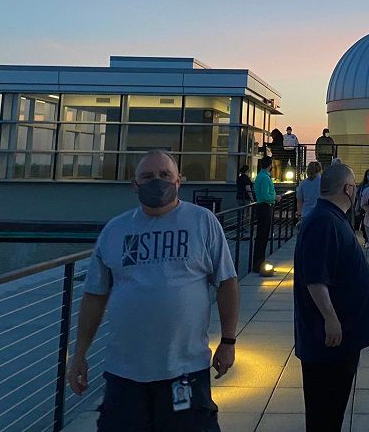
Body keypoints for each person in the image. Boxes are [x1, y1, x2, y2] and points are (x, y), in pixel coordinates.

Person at [67, 150, 239, 431]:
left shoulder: (203, 222)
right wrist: (79, 354)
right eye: (147, 176)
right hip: (125, 372)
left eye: (164, 175)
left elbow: (227, 282)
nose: (156, 181)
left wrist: (228, 341)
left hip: (185, 369)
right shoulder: (115, 230)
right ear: (134, 184)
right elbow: (95, 295)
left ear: (178, 181)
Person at [293, 164, 369, 432]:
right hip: (328, 343)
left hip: (341, 339)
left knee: (333, 411)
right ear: (349, 189)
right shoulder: (323, 222)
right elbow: (315, 278)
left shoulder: (331, 217)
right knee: (325, 413)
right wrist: (331, 319)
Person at [253, 157, 279, 273]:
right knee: (262, 237)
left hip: (263, 207)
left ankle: (259, 263)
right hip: (265, 207)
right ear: (270, 165)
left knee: (262, 237)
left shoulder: (261, 176)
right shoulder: (264, 177)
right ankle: (259, 264)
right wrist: (275, 197)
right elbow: (265, 195)